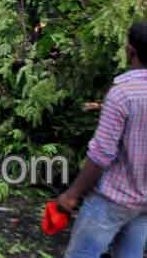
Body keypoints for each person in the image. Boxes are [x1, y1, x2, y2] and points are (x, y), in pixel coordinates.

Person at [58, 22, 147, 258]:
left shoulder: (123, 94)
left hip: (113, 199)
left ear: (130, 51)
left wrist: (72, 194)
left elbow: (101, 154)